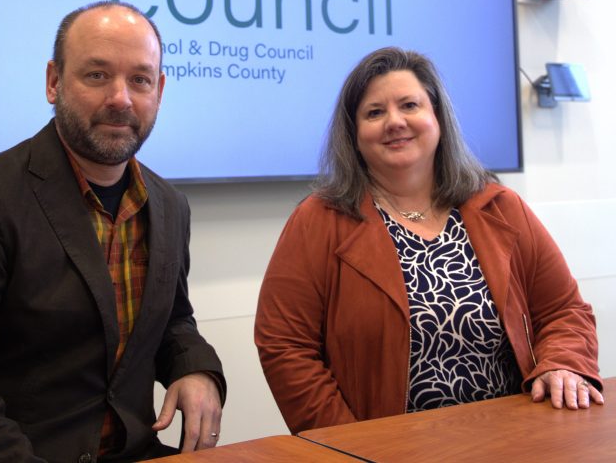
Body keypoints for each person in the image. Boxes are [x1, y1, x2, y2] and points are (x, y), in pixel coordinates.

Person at [0, 1, 226, 462]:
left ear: (160, 90)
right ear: (54, 82)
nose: (121, 98)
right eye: (97, 75)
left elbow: (173, 320)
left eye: (140, 79)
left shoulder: (169, 205)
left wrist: (197, 371)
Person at [254, 47, 603, 434]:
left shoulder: (501, 207)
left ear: (437, 118)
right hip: (386, 451)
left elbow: (564, 310)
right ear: (354, 135)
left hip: (514, 438)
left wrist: (563, 362)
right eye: (374, 112)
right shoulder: (318, 221)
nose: (395, 121)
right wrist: (347, 441)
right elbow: (284, 345)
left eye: (409, 105)